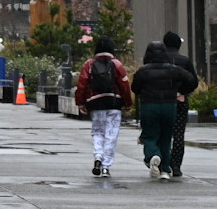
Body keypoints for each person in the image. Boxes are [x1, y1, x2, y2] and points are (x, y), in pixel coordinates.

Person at [131, 41, 198, 180]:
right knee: (166, 137)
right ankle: (165, 170)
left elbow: (135, 88)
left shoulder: (143, 71)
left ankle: (154, 155)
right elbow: (192, 81)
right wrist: (180, 91)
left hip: (149, 105)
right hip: (169, 105)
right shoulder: (174, 70)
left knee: (148, 136)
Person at [75, 46, 131, 177]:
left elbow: (81, 84)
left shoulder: (89, 64)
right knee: (111, 135)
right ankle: (106, 166)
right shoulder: (117, 64)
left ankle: (98, 156)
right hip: (113, 103)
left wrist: (81, 103)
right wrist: (128, 104)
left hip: (96, 103)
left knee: (98, 132)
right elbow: (124, 85)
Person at [163, 31, 199, 179]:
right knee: (178, 134)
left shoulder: (159, 61)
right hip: (180, 101)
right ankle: (176, 165)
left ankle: (163, 163)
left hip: (162, 100)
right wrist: (182, 92)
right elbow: (194, 82)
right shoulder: (185, 61)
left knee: (164, 133)